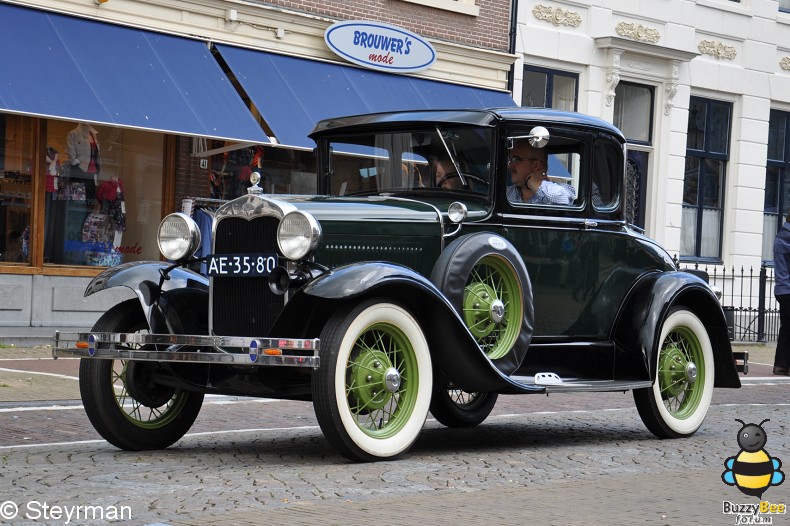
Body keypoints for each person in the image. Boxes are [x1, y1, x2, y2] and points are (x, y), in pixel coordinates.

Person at [506, 139, 575, 205]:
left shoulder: (563, 189)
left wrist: (531, 182)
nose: (510, 166)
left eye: (516, 159)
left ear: (536, 165)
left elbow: (562, 200)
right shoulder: (507, 193)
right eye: (510, 160)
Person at [773, 211, 790, 375]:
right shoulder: (787, 237)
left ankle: (781, 365)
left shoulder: (781, 236)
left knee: (786, 328)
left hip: (781, 289)